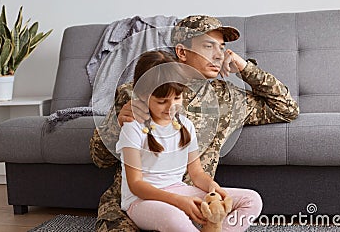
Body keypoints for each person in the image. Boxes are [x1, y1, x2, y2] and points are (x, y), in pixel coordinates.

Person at [90, 15, 300, 231]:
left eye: (222, 47)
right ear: (182, 52)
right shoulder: (136, 91)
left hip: (194, 208)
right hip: (132, 205)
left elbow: (287, 108)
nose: (219, 55)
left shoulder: (227, 99)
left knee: (246, 202)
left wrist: (245, 68)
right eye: (209, 46)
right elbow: (100, 159)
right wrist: (116, 123)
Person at [117, 51, 261, 231]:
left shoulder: (185, 125)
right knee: (174, 217)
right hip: (141, 201)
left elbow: (197, 173)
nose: (171, 107)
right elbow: (136, 185)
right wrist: (179, 202)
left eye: (177, 98)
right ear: (143, 96)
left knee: (252, 200)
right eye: (162, 101)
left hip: (179, 190)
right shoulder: (133, 128)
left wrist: (213, 188)